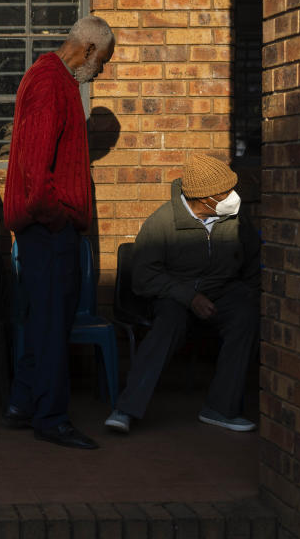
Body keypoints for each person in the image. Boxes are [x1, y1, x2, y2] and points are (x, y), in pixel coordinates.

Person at [2, 16, 115, 450]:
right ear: (87, 48)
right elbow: (35, 164)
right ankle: (50, 417)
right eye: (102, 61)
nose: (101, 70)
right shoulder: (51, 81)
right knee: (52, 325)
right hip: (48, 227)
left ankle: (23, 404)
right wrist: (56, 215)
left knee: (44, 321)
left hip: (47, 227)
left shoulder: (54, 78)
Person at [105, 154, 259, 434]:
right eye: (225, 193)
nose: (233, 198)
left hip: (222, 293)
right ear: (202, 199)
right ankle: (126, 409)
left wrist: (249, 293)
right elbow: (144, 276)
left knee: (246, 314)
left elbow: (252, 261)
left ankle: (221, 408)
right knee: (168, 324)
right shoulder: (162, 223)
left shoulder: (236, 219)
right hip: (174, 296)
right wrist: (189, 297)